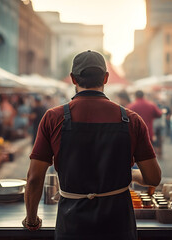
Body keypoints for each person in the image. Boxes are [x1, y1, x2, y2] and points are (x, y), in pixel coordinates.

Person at [23, 50, 161, 239]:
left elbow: (34, 178)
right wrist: (131, 175)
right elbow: (153, 178)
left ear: (73, 78)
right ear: (105, 78)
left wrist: (32, 219)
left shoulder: (53, 118)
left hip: (72, 225)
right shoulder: (131, 120)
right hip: (118, 225)